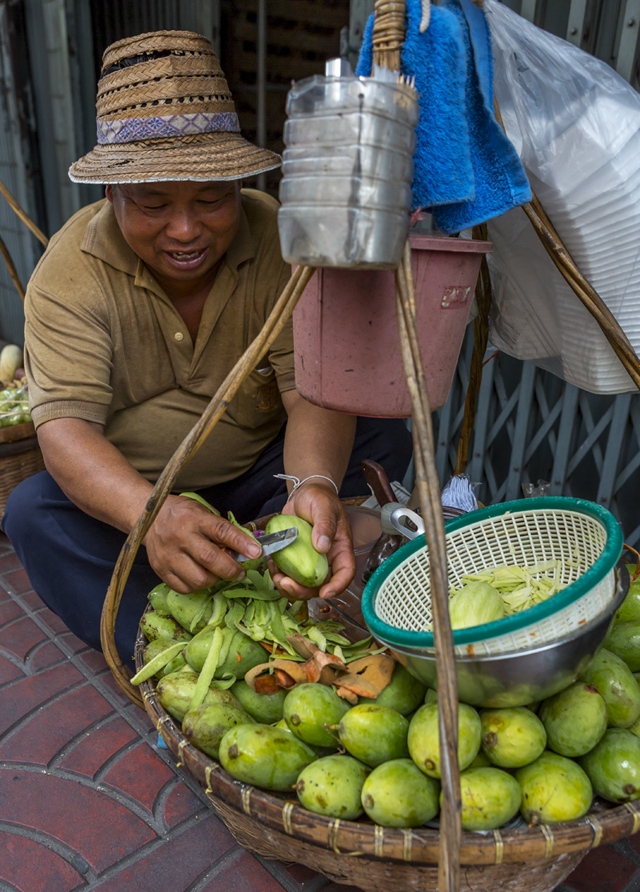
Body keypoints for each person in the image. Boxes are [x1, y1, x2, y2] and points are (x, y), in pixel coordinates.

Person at [3, 30, 412, 663]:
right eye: (153, 202)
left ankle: (298, 572)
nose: (187, 230)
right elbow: (65, 432)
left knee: (378, 431)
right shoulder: (69, 274)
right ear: (110, 193)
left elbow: (309, 390)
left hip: (260, 479)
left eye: (212, 198)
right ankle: (165, 649)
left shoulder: (279, 237)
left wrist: (313, 482)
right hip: (137, 495)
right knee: (34, 512)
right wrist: (149, 517)